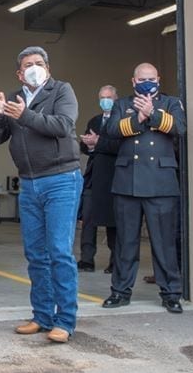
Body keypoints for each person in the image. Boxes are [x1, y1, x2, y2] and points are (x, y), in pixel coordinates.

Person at [0, 46, 81, 343]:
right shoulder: (14, 98)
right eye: (28, 64)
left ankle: (65, 321)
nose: (34, 68)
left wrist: (24, 115)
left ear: (48, 69)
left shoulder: (62, 91)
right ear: (19, 72)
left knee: (59, 252)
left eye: (39, 63)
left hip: (61, 180)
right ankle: (42, 315)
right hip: (29, 183)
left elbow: (62, 126)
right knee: (36, 253)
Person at [103, 62, 185, 314]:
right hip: (128, 182)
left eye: (151, 78)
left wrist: (153, 113)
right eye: (142, 79)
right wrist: (138, 117)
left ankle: (170, 293)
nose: (146, 82)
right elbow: (111, 130)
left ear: (158, 79)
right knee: (126, 242)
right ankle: (120, 291)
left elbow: (180, 128)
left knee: (164, 242)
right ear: (133, 81)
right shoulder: (122, 104)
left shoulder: (171, 103)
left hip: (160, 183)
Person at [78, 85, 120, 273]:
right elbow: (85, 146)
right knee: (88, 219)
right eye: (102, 97)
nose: (105, 101)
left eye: (109, 97)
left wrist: (99, 142)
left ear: (116, 98)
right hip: (94, 176)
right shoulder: (94, 121)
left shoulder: (123, 121)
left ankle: (115, 261)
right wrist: (90, 145)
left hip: (114, 176)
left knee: (113, 222)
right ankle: (87, 259)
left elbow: (120, 146)